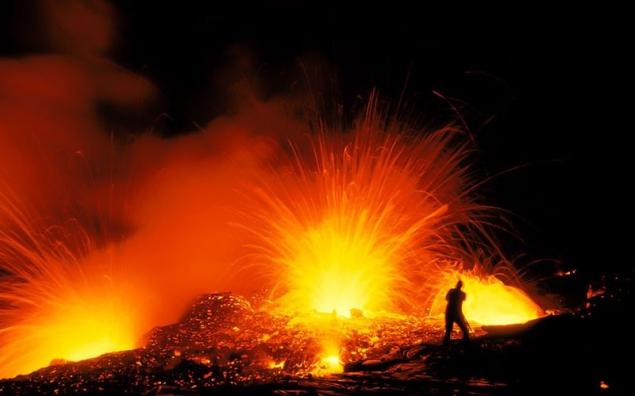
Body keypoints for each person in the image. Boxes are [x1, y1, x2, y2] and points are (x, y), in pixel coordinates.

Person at [443, 280, 470, 345]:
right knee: (462, 327)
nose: (459, 285)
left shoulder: (452, 291)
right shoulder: (462, 294)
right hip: (455, 312)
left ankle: (446, 341)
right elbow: (447, 298)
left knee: (450, 328)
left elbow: (446, 298)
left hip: (451, 311)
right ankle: (447, 342)